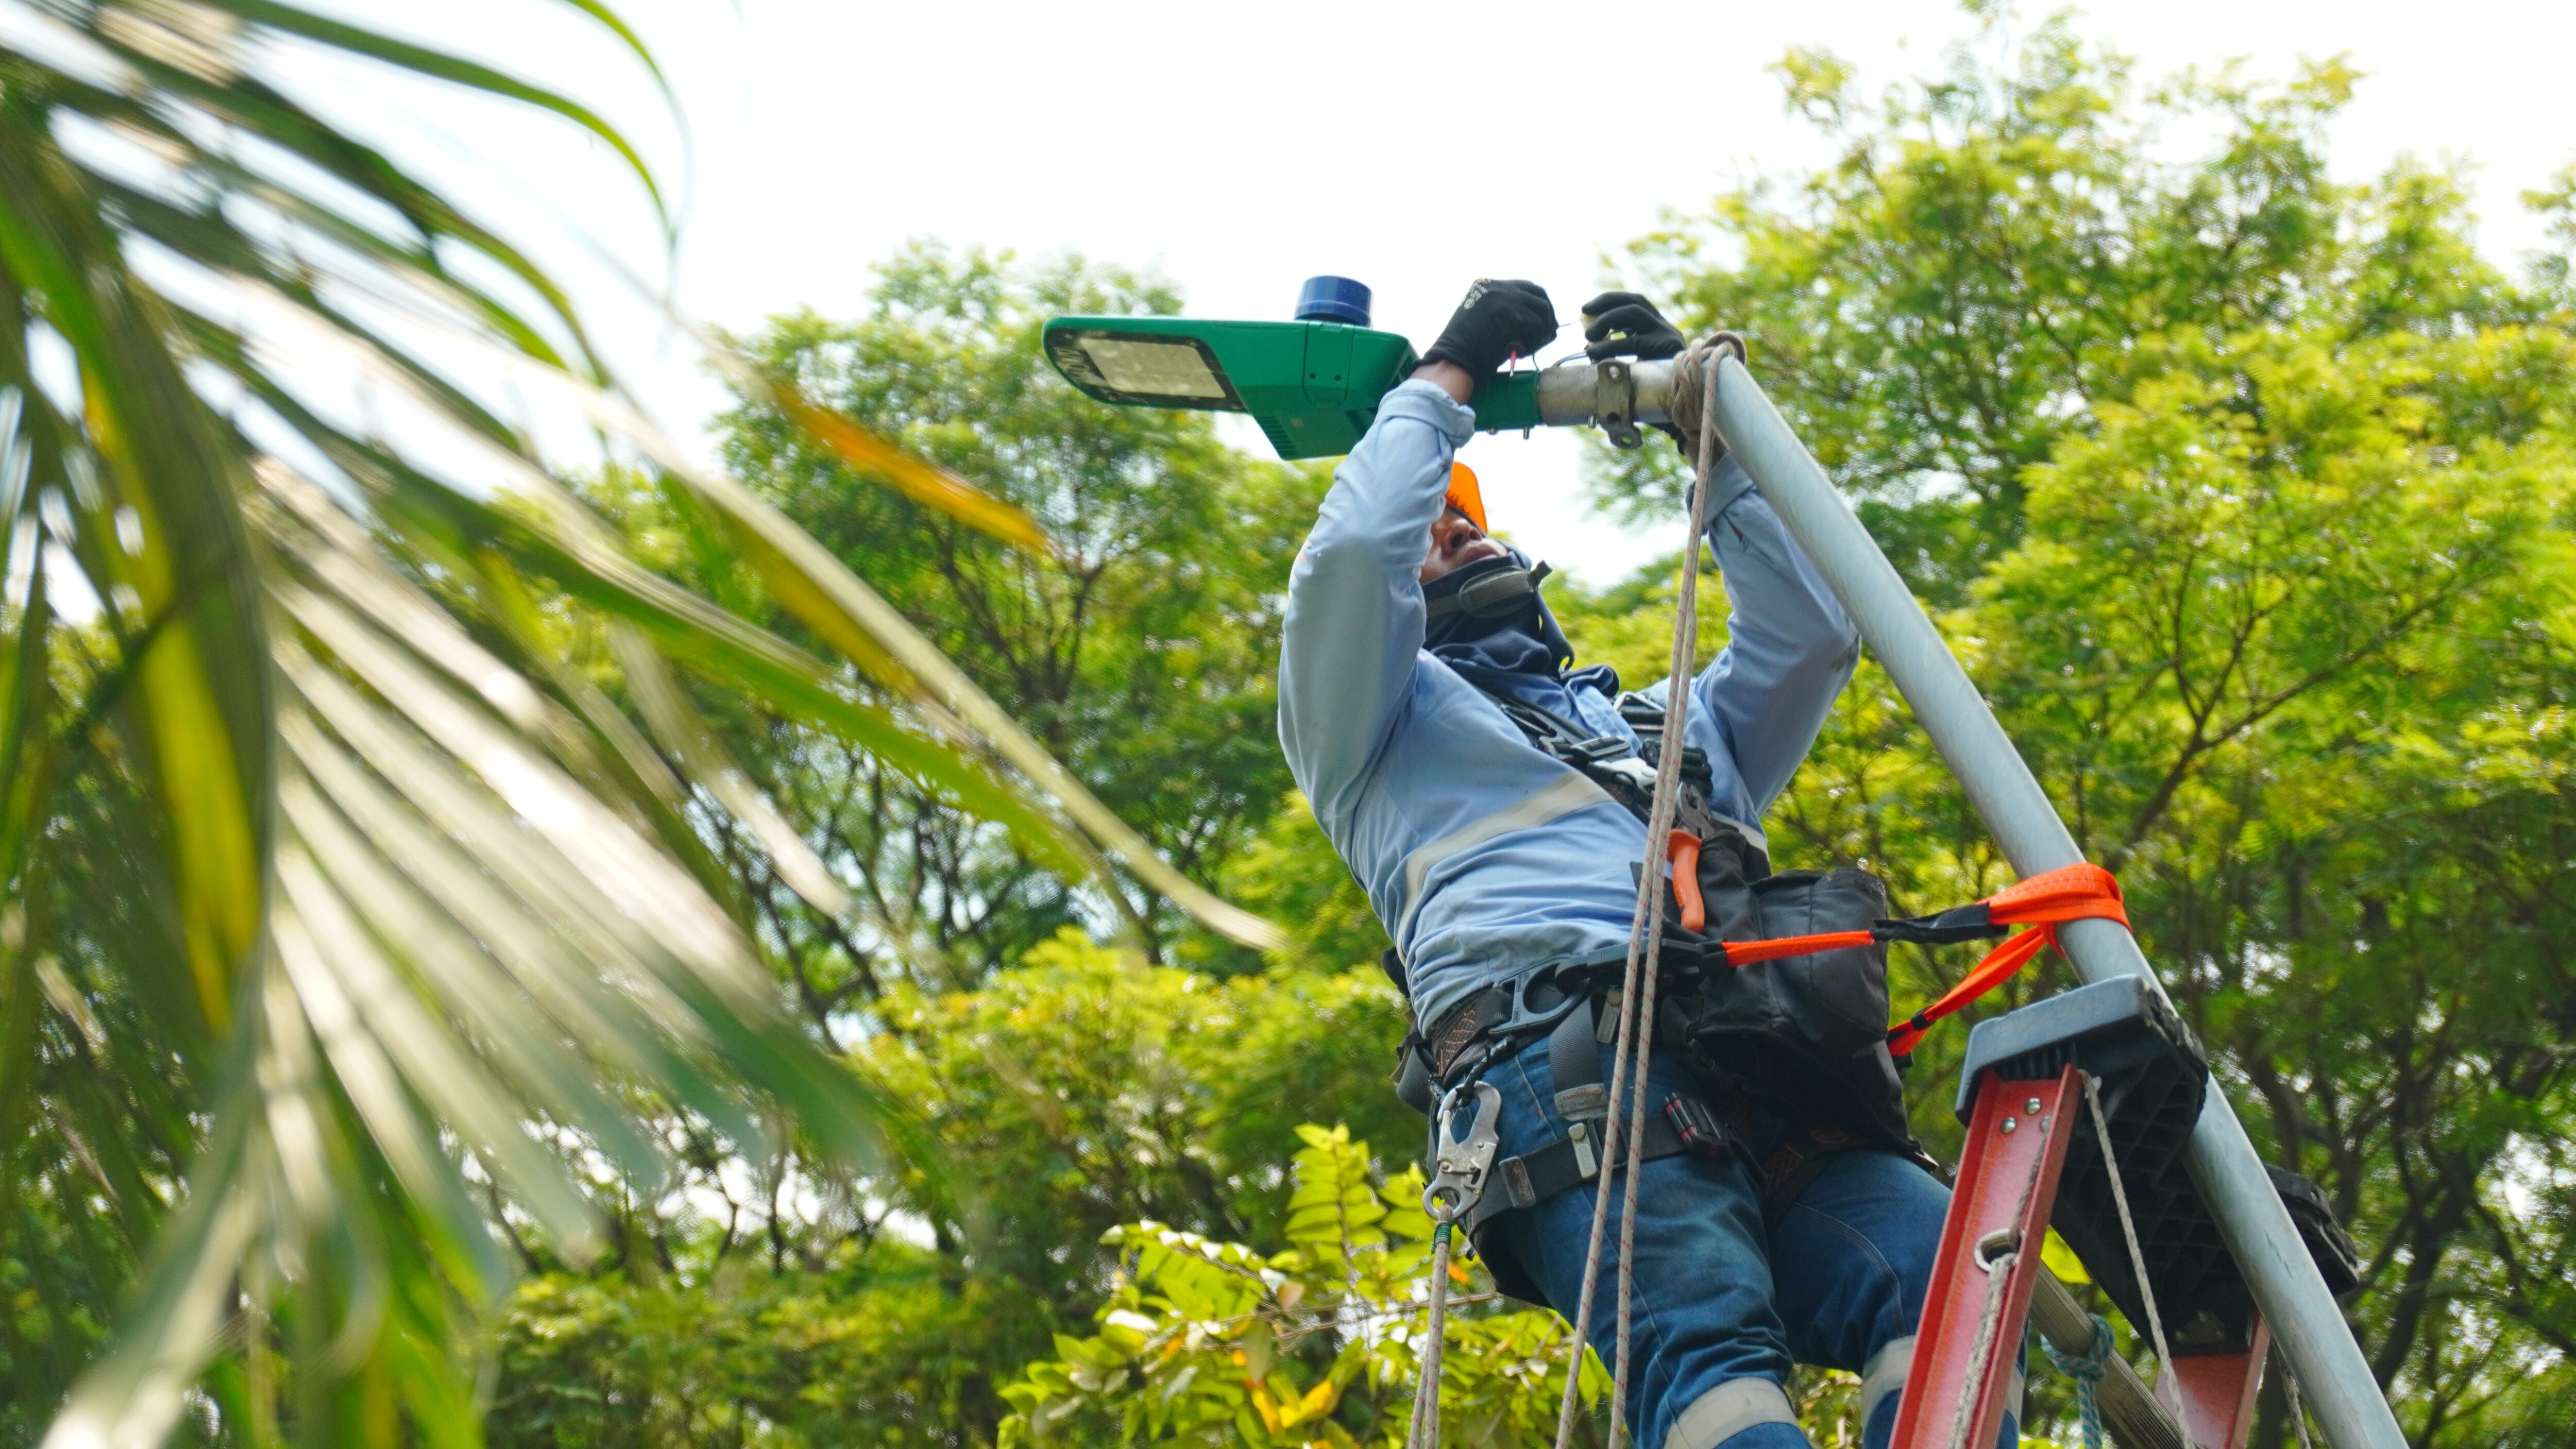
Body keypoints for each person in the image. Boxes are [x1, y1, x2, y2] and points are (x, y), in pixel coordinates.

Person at [1277, 280, 2014, 1449]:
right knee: (1712, 1368)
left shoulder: (1658, 733)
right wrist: (1445, 378)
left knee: (1958, 1299)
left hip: (1756, 1065)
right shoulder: (1370, 734)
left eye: (1466, 520)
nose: (1454, 531)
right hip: (1569, 1065)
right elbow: (1356, 551)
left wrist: (1714, 444)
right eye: (1432, 530)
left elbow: (1812, 634)